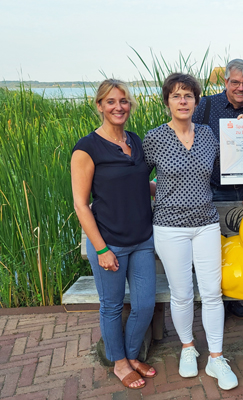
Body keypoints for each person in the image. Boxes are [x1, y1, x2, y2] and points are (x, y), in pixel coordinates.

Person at [142, 73, 238, 390]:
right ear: (167, 101)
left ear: (196, 102)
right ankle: (187, 348)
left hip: (206, 223)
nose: (182, 101)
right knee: (182, 294)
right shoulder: (154, 138)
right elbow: (137, 177)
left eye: (188, 96)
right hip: (169, 227)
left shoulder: (209, 134)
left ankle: (216, 358)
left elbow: (236, 158)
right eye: (176, 96)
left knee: (212, 292)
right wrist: (158, 190)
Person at [71, 79, 157, 390]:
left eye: (123, 101)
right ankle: (119, 363)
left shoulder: (134, 140)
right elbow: (81, 204)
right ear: (99, 106)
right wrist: (101, 248)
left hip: (143, 240)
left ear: (129, 106)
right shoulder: (87, 148)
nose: (118, 107)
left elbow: (137, 184)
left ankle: (131, 355)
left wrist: (169, 189)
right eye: (110, 102)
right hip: (110, 242)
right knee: (111, 304)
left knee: (145, 304)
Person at [191, 59, 243, 319]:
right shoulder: (205, 106)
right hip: (211, 188)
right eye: (235, 82)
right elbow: (190, 142)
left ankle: (234, 297)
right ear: (225, 82)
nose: (240, 88)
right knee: (213, 247)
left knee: (240, 246)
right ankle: (214, 299)